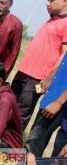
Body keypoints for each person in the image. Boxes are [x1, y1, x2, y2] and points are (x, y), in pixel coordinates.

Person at [11, 0, 67, 129]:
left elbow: (65, 56)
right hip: (24, 71)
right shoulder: (51, 20)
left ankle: (10, 146)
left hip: (37, 78)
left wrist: (48, 78)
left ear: (64, 2)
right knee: (10, 106)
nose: (47, 3)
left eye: (52, 0)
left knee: (21, 114)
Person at [26, 53, 67, 157]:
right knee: (33, 142)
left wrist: (59, 102)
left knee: (34, 144)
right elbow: (63, 61)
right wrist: (48, 79)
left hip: (58, 103)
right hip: (52, 98)